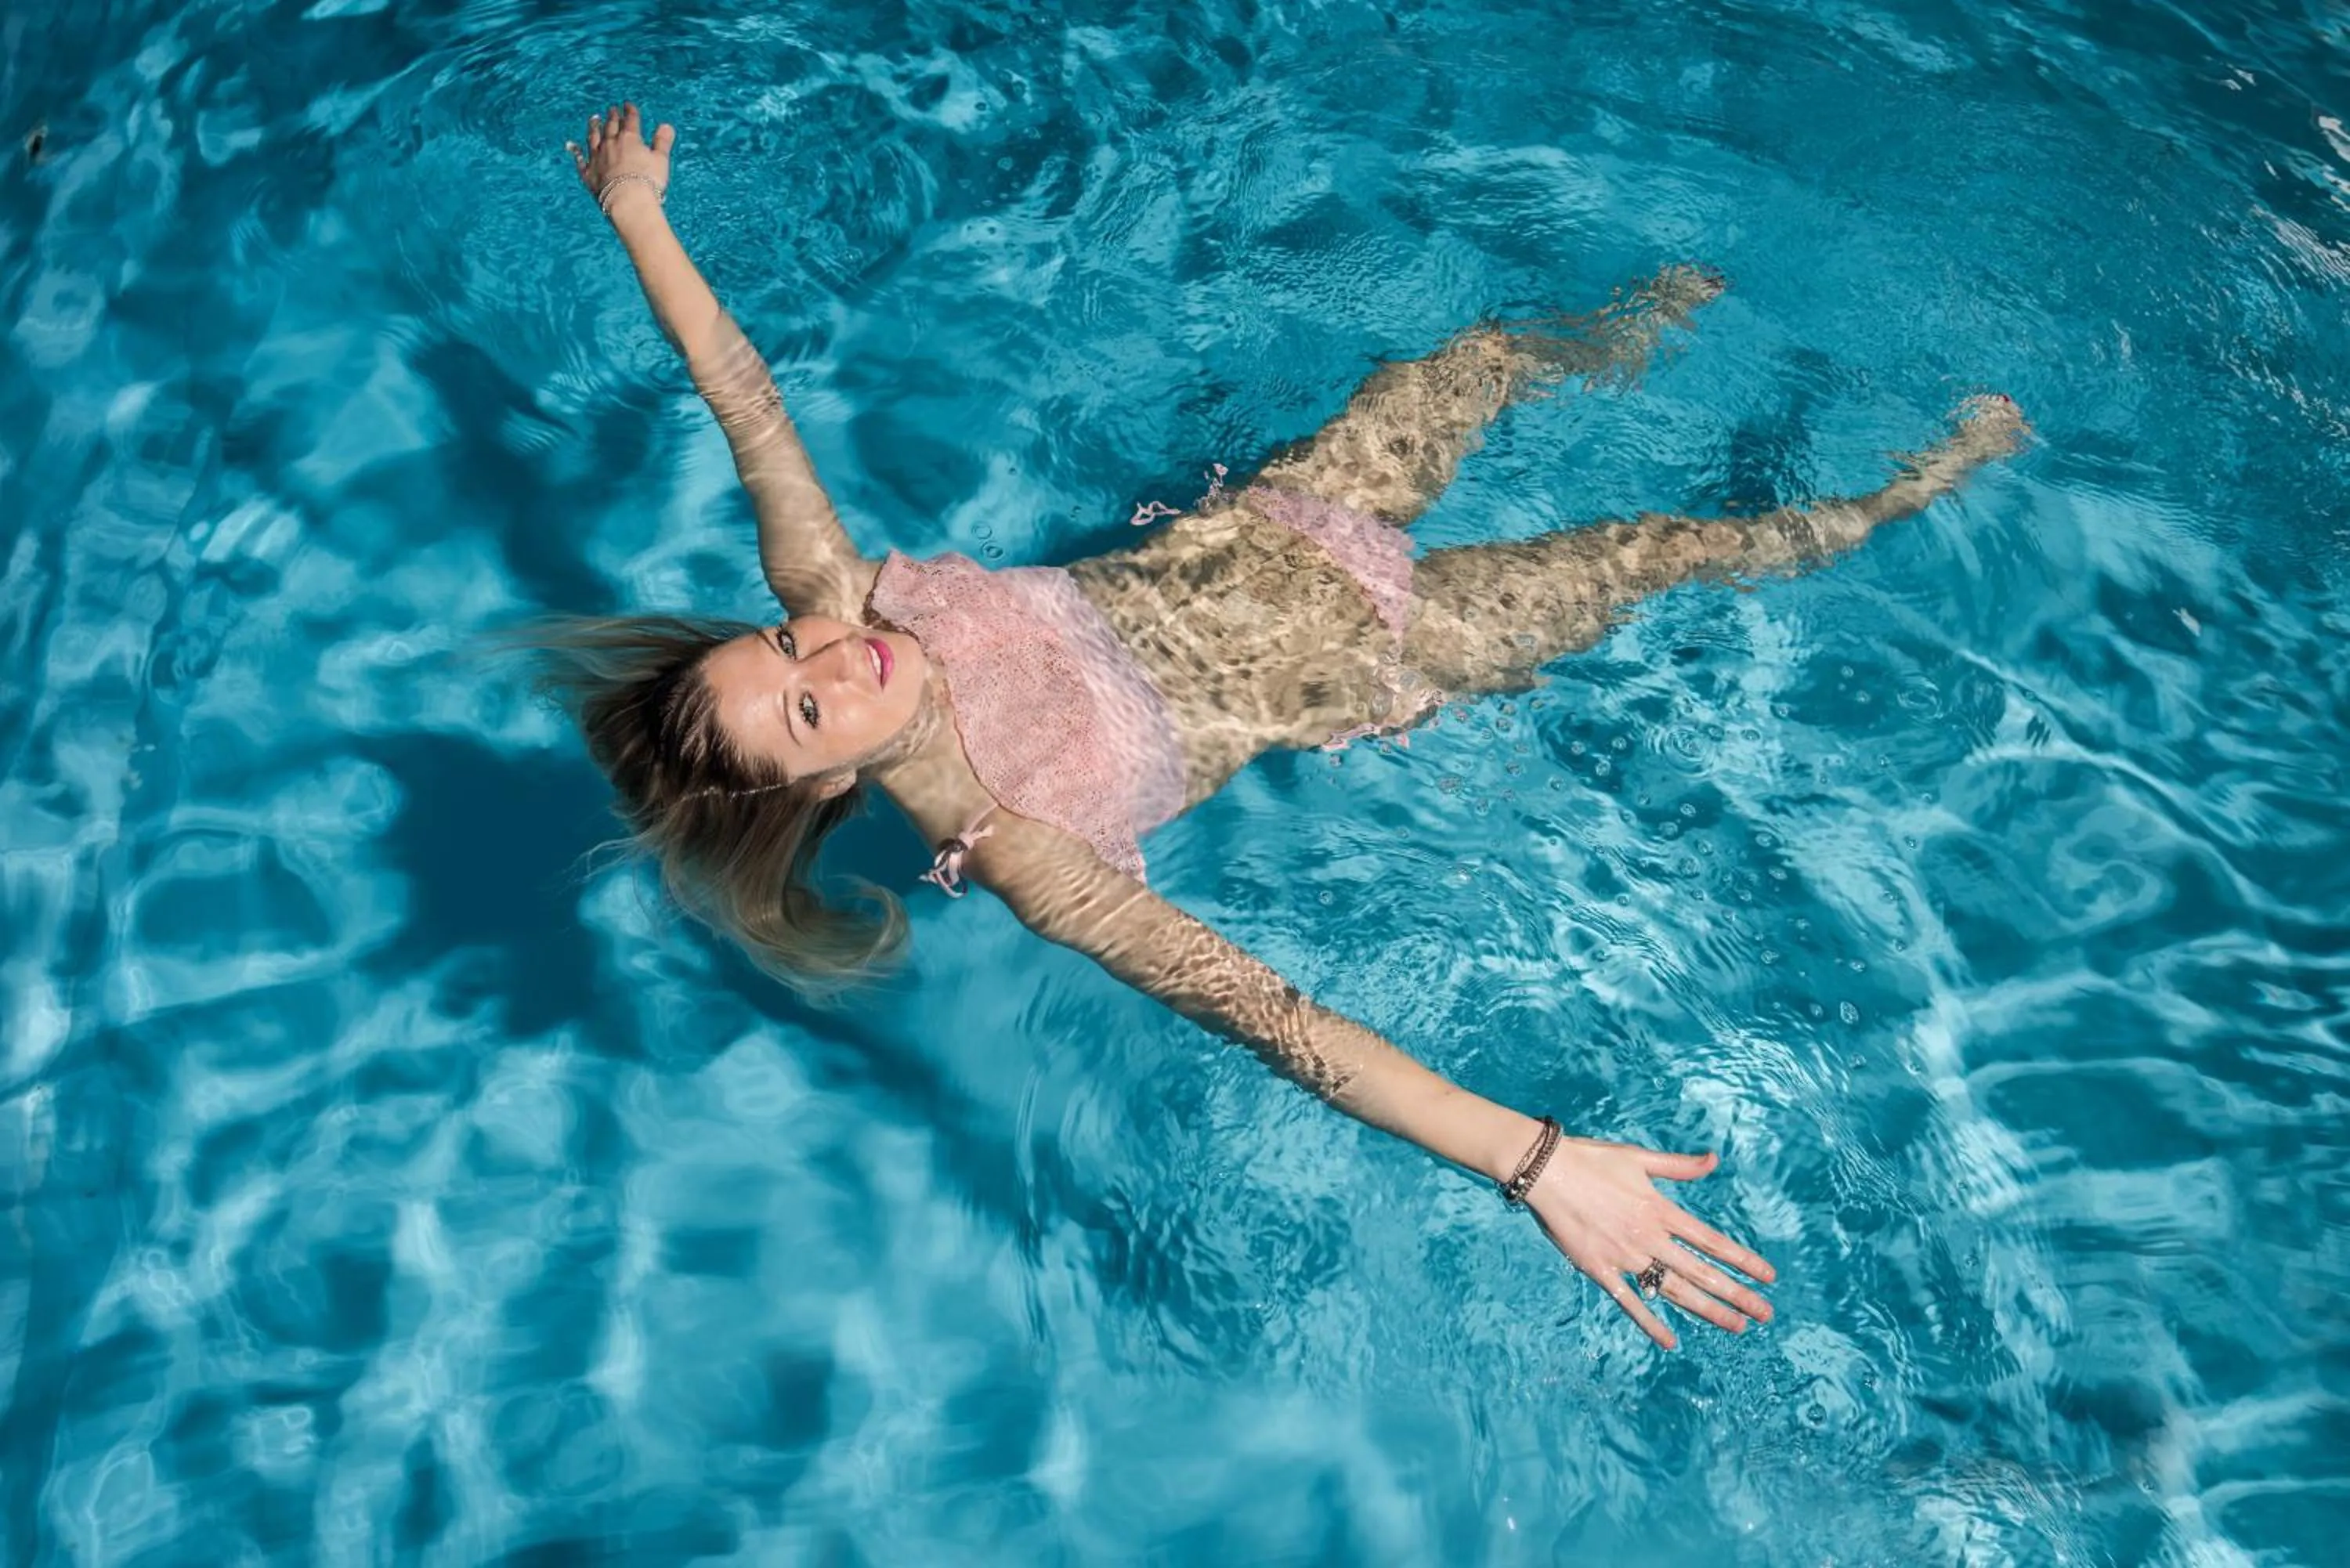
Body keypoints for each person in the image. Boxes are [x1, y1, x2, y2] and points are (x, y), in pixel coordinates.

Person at [540, 104, 2026, 1349]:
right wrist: (1535, 1159)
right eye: (806, 704)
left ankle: (1702, 283)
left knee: (1491, 355)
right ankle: (1922, 485)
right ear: (828, 782)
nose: (830, 654)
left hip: (1297, 519)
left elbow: (742, 400)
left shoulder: (838, 591)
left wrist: (639, 214)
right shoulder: (1021, 848)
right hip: (1385, 650)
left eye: (785, 641)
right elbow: (1271, 1017)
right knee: (1677, 547)